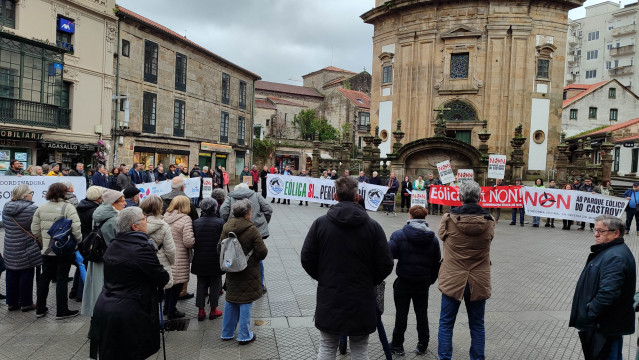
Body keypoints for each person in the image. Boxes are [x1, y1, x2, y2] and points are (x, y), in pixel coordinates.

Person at [301, 176, 394, 359]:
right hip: (361, 296)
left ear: (335, 196)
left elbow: (307, 258)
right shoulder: (373, 227)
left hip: (331, 295)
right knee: (360, 349)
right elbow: (386, 263)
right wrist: (369, 279)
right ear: (356, 196)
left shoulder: (320, 224)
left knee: (327, 347)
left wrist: (324, 275)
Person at [89, 207, 169, 360]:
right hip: (130, 311)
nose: (147, 222)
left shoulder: (114, 244)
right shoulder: (141, 249)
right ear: (135, 226)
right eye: (144, 219)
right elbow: (162, 277)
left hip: (106, 305)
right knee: (131, 353)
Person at [437, 181, 494, 360]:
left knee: (446, 323)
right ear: (479, 197)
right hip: (478, 279)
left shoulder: (448, 218)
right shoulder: (489, 221)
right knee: (477, 324)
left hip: (453, 277)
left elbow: (440, 235)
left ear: (461, 197)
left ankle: (445, 358)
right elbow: (490, 238)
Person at [569, 215, 636, 360]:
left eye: (601, 231)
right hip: (607, 324)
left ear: (616, 233)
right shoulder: (611, 251)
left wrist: (590, 312)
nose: (596, 234)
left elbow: (608, 293)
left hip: (604, 326)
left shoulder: (615, 256)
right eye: (595, 229)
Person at [388, 205, 441, 355]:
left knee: (401, 313)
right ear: (425, 218)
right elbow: (436, 263)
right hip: (422, 283)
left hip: (403, 281)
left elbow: (387, 254)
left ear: (410, 216)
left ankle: (397, 345)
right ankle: (423, 344)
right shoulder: (433, 239)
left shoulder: (399, 235)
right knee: (422, 313)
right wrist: (430, 280)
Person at [218, 199, 268, 344]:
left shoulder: (226, 226)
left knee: (231, 299)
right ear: (248, 213)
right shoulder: (251, 229)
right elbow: (262, 252)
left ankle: (226, 332)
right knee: (246, 301)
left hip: (231, 269)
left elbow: (219, 248)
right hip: (248, 271)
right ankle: (244, 335)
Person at [32, 183, 83, 319]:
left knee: (45, 277)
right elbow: (76, 227)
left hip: (48, 250)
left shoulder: (41, 208)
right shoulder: (68, 207)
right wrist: (77, 242)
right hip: (63, 249)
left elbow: (34, 229)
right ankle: (62, 310)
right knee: (62, 278)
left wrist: (43, 240)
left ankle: (40, 308)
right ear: (64, 193)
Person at [81, 189, 126, 317]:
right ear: (113, 203)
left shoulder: (98, 213)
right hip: (109, 259)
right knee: (105, 291)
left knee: (96, 289)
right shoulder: (115, 219)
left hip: (96, 257)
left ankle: (95, 315)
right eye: (122, 201)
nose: (125, 203)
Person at [220, 182, 272, 293]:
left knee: (234, 254)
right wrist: (262, 223)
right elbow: (268, 209)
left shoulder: (231, 197)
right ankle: (260, 285)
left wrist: (228, 223)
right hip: (255, 229)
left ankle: (234, 283)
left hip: (235, 230)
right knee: (257, 258)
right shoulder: (256, 195)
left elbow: (223, 211)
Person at [2, 184, 40, 312]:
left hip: (10, 245)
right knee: (26, 275)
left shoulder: (6, 207)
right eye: (31, 192)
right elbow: (36, 227)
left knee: (11, 273)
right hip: (26, 247)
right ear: (25, 195)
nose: (32, 194)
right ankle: (26, 303)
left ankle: (12, 303)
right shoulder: (32, 209)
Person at [192, 198, 225, 321]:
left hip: (200, 258)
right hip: (215, 258)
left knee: (201, 283)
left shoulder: (196, 222)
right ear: (215, 208)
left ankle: (200, 311)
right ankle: (213, 310)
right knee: (215, 284)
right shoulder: (220, 222)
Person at [163, 195, 195, 319]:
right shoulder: (185, 219)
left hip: (167, 254)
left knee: (169, 282)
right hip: (180, 255)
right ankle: (172, 310)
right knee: (177, 285)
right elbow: (188, 242)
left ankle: (166, 308)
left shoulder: (165, 217)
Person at [70, 186, 103, 302]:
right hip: (89, 240)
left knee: (81, 265)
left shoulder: (81, 206)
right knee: (87, 267)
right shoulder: (95, 210)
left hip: (81, 238)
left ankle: (74, 291)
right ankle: (81, 294)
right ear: (98, 197)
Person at [140, 195, 176, 299]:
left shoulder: (136, 223)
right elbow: (170, 250)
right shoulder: (164, 226)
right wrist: (171, 262)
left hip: (141, 263)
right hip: (159, 263)